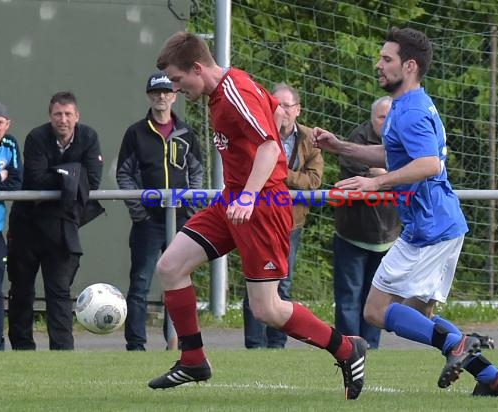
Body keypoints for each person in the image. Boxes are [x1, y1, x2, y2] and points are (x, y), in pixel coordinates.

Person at [148, 32, 367, 400]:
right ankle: (193, 358)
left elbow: (268, 145)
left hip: (262, 204)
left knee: (267, 309)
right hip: (235, 200)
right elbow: (268, 123)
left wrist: (249, 195)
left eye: (177, 79)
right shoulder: (224, 91)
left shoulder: (235, 92)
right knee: (170, 266)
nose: (174, 88)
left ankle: (347, 349)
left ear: (197, 68)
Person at [314, 27, 498, 396]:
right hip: (439, 223)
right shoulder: (409, 105)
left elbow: (427, 165)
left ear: (410, 65)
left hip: (428, 227)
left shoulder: (411, 112)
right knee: (421, 319)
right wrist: (341, 147)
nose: (379, 65)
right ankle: (491, 378)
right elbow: (395, 154)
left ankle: (460, 344)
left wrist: (376, 183)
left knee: (374, 311)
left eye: (386, 59)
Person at [7, 91, 104, 350]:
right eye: (58, 114)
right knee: (21, 290)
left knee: (59, 291)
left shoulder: (89, 137)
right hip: (27, 224)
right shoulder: (37, 137)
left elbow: (92, 180)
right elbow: (35, 179)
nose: (63, 120)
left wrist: (62, 174)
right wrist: (72, 174)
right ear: (50, 116)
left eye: (68, 114)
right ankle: (21, 349)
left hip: (62, 226)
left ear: (77, 116)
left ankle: (62, 351)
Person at [116, 71, 203, 351]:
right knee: (140, 281)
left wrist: (190, 208)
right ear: (149, 96)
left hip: (180, 220)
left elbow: (197, 172)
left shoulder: (187, 132)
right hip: (148, 222)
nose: (161, 97)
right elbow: (124, 174)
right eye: (156, 93)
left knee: (179, 280)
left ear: (175, 96)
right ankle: (136, 344)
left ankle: (179, 342)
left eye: (166, 92)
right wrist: (139, 212)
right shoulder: (135, 132)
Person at [242, 82, 323, 349]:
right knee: (254, 283)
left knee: (282, 284)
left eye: (286, 106)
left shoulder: (311, 138)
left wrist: (276, 173)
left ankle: (277, 347)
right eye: (275, 105)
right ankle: (253, 347)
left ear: (298, 110)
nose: (281, 111)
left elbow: (313, 181)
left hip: (291, 222)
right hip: (256, 218)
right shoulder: (256, 132)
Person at [333, 96, 400, 350]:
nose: (386, 121)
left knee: (377, 297)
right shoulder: (357, 139)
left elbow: (413, 172)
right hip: (353, 233)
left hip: (388, 235)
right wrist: (389, 176)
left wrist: (382, 176)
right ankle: (349, 347)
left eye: (389, 116)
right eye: (381, 117)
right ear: (372, 118)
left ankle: (372, 347)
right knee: (348, 296)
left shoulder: (402, 139)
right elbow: (354, 174)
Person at [0, 101, 22, 351]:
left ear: (7, 125)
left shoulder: (10, 144)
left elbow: (16, 182)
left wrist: (1, 180)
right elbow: (5, 179)